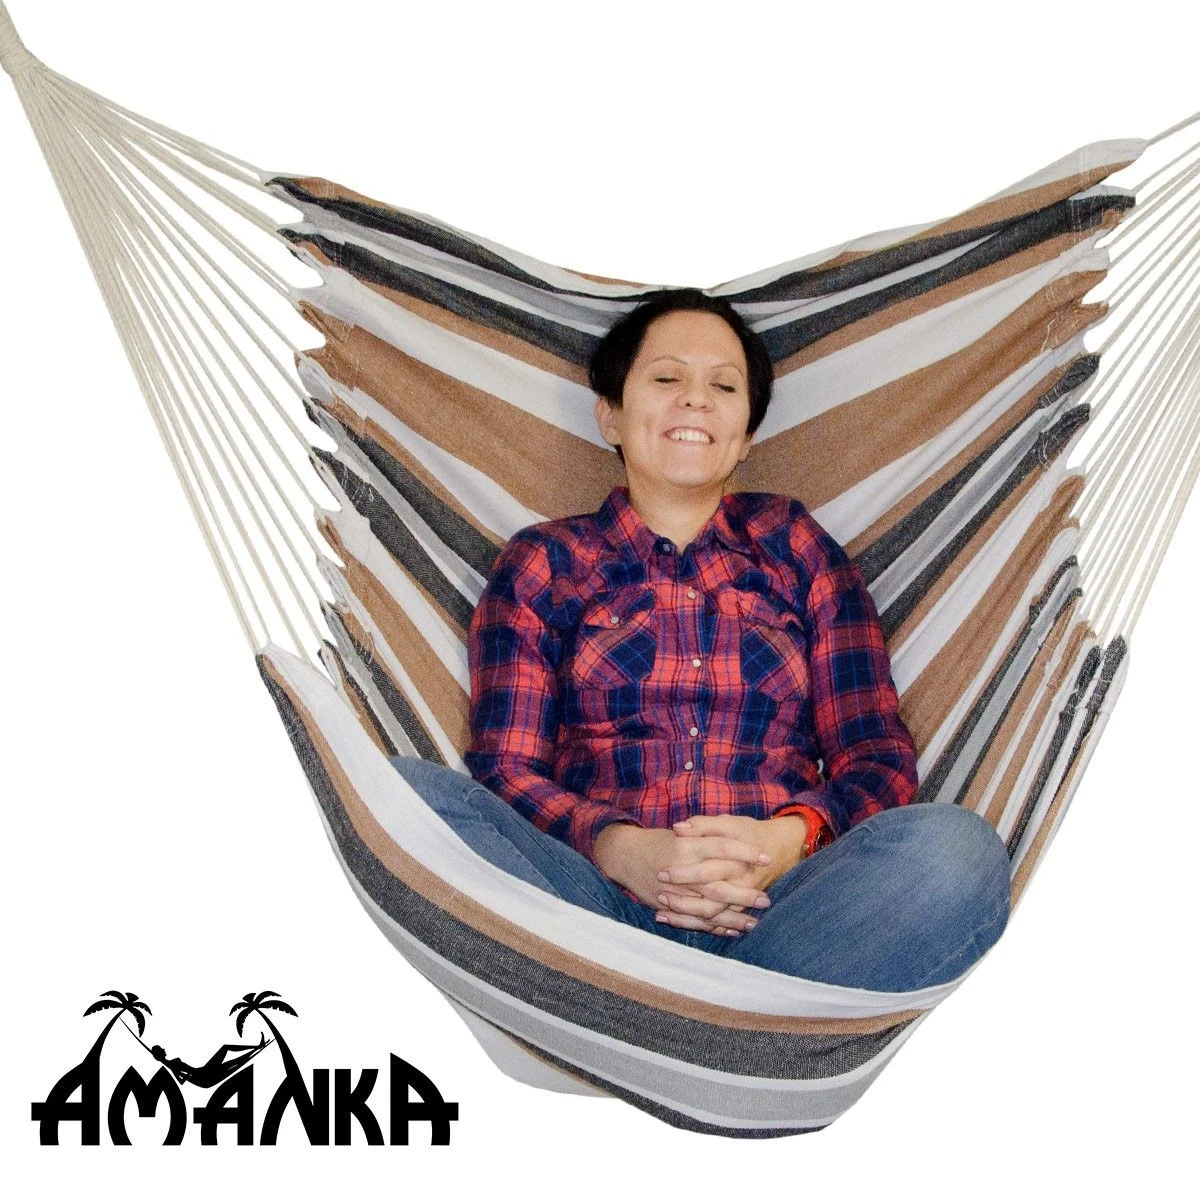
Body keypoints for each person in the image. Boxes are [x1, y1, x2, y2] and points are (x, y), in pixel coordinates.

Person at [389, 288, 1010, 991]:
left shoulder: (796, 548)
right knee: (406, 798)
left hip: (787, 910)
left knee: (958, 852)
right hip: (595, 912)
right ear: (610, 415)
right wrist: (620, 849)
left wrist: (787, 839)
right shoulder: (545, 562)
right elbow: (506, 771)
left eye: (723, 386)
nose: (695, 399)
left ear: (745, 435)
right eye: (666, 378)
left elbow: (876, 757)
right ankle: (715, 1022)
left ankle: (696, 1019)